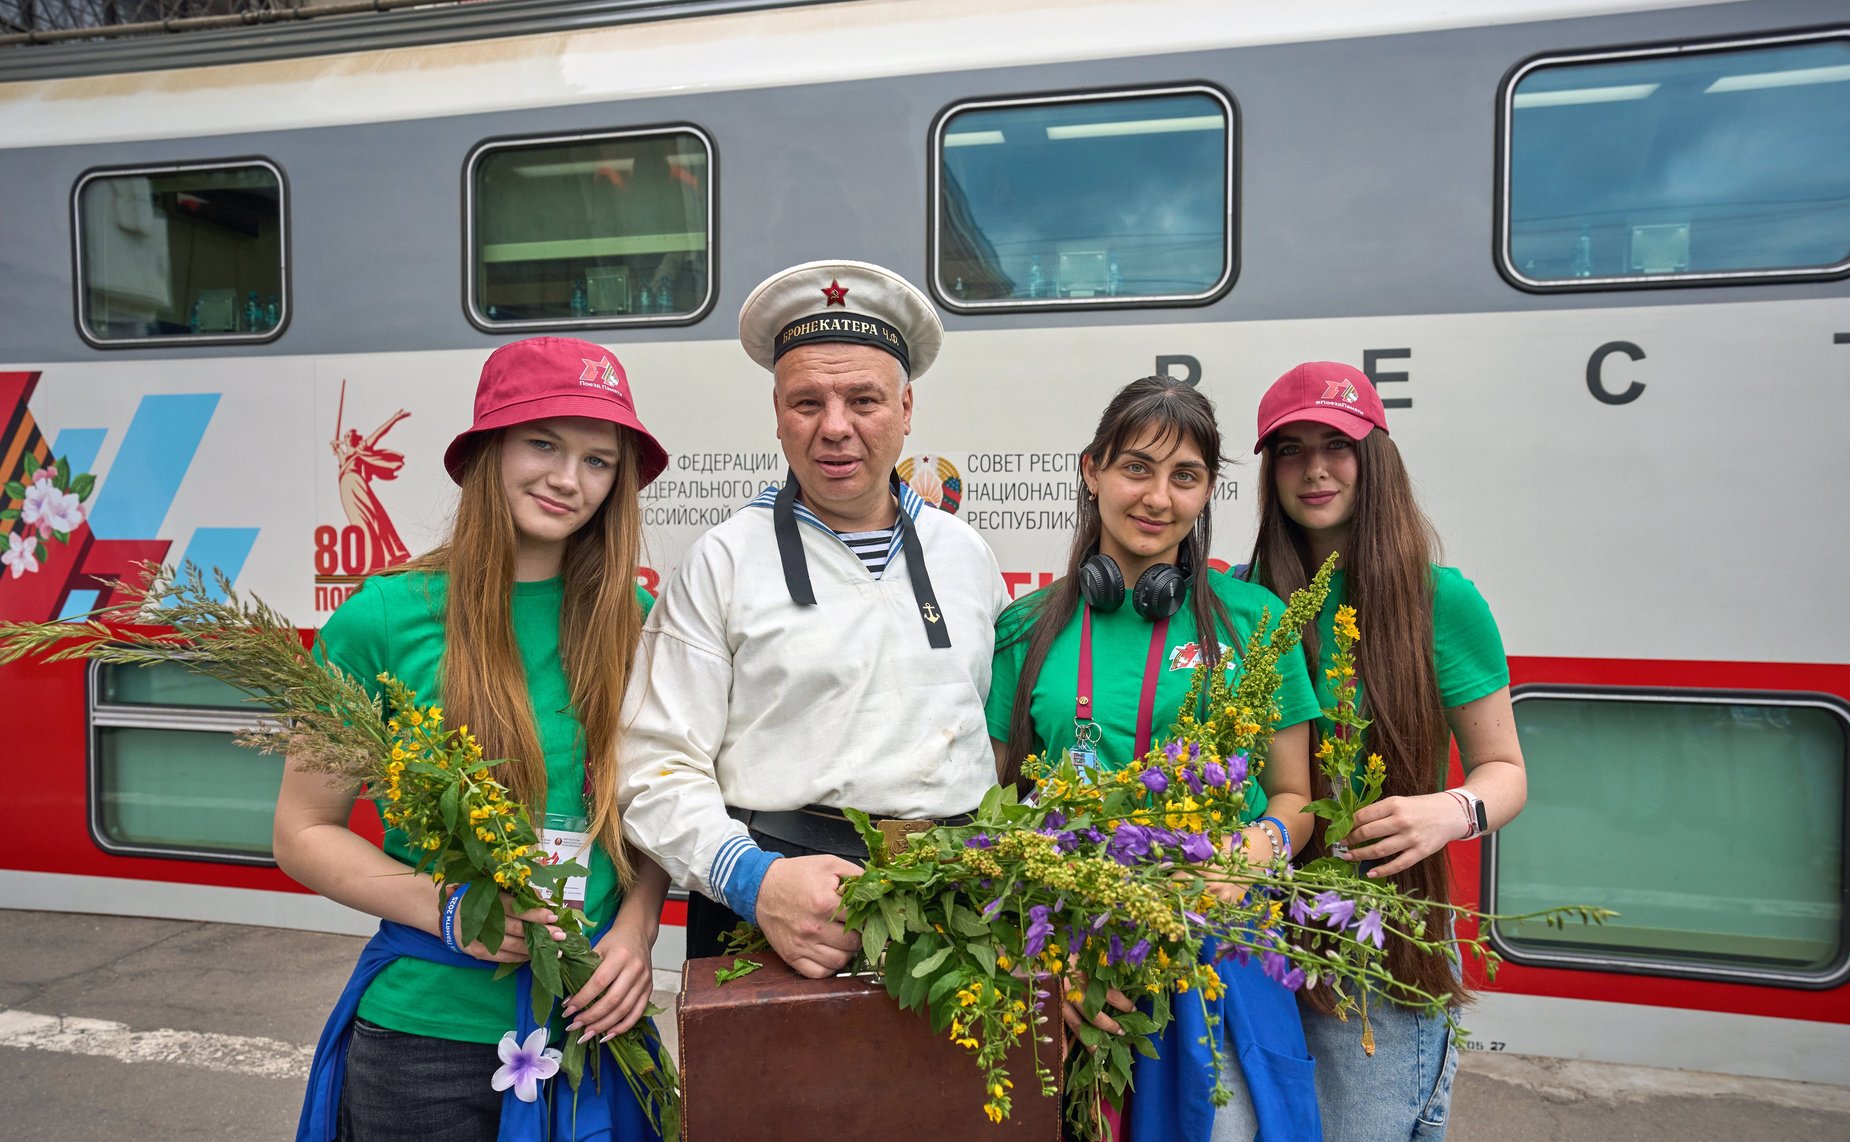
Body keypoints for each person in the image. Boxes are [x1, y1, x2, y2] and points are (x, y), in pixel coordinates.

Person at [279, 337, 673, 1141]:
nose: (569, 479)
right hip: (424, 1040)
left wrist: (637, 929)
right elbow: (302, 831)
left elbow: (663, 803)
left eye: (599, 461)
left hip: (591, 1022)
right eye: (543, 444)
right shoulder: (379, 621)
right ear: (486, 451)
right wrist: (453, 911)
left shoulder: (629, 620)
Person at [618, 259, 1006, 976]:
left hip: (953, 910)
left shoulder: (967, 556)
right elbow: (654, 766)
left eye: (864, 399)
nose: (835, 428)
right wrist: (753, 881)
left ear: (908, 409)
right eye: (807, 402)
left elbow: (1002, 734)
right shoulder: (722, 561)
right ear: (775, 411)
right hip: (767, 914)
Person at [989, 375, 1322, 1142]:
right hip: (1072, 968)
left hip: (1219, 962)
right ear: (1091, 471)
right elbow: (994, 811)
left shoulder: (1254, 622)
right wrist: (1050, 969)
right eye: (1136, 467)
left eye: (1186, 477)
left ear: (1208, 493)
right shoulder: (1025, 628)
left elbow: (1295, 797)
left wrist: (1245, 855)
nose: (1158, 497)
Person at [1242, 361, 1527, 1141]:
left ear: (1377, 458)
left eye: (1337, 444)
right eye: (1291, 450)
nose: (1316, 468)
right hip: (1250, 939)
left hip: (1380, 951)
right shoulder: (1240, 599)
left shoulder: (1443, 600)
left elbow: (1506, 774)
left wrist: (1451, 809)